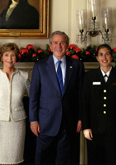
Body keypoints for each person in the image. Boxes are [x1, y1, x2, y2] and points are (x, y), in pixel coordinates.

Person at [29, 31, 84, 164]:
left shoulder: (77, 66)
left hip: (69, 122)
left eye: (62, 42)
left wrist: (81, 118)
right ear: (50, 45)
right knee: (43, 159)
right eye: (55, 43)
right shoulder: (40, 66)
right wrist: (33, 120)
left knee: (65, 160)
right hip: (45, 123)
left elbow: (81, 95)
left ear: (67, 45)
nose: (59, 46)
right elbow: (34, 96)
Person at [82, 44, 116, 164]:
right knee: (95, 160)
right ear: (97, 58)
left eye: (107, 54)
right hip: (94, 130)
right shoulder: (89, 77)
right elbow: (84, 103)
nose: (104, 57)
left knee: (114, 160)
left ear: (112, 56)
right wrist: (86, 127)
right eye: (101, 54)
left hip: (115, 130)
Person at [0, 43, 30, 164]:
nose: (9, 58)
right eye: (6, 55)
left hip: (17, 124)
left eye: (13, 55)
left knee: (15, 159)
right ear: (1, 57)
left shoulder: (24, 76)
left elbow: (34, 98)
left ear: (16, 57)